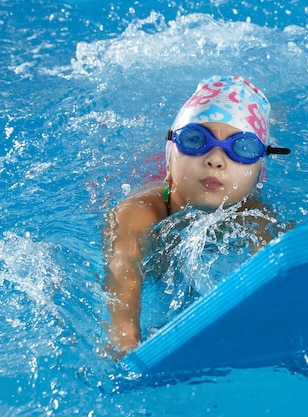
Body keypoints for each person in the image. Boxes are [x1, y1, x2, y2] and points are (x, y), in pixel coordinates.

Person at [102, 75, 290, 356]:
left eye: (243, 148)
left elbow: (282, 277)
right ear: (170, 160)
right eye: (195, 140)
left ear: (257, 177)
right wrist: (125, 339)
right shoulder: (139, 210)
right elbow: (123, 267)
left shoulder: (253, 213)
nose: (215, 159)